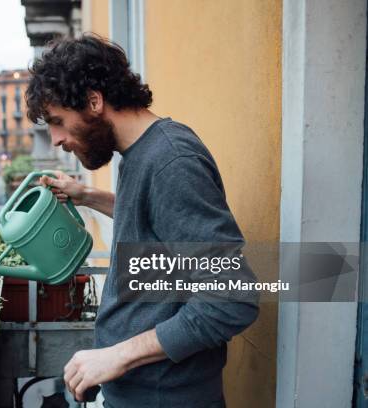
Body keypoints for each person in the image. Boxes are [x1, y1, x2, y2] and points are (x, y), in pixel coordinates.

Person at [25, 34, 260, 408]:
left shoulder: (171, 161)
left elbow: (232, 299)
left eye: (57, 121)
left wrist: (116, 356)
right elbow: (159, 226)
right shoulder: (140, 153)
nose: (55, 139)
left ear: (94, 101)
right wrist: (88, 196)